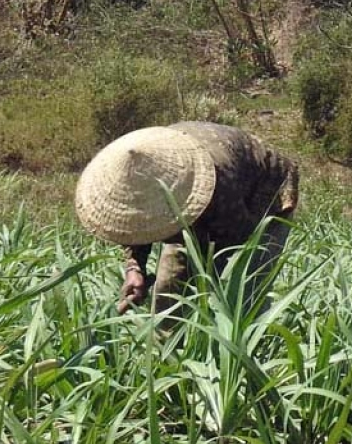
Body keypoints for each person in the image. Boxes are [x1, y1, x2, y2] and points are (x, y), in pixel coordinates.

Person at [74, 122, 299, 316]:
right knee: (167, 299)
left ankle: (246, 358)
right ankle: (165, 360)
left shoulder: (220, 187)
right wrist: (135, 268)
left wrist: (200, 284)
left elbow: (238, 241)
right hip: (200, 196)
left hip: (263, 194)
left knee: (242, 298)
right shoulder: (143, 170)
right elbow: (138, 220)